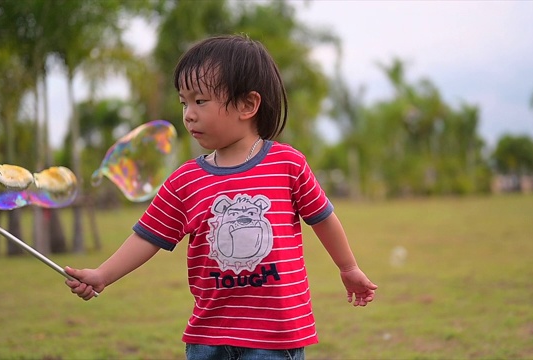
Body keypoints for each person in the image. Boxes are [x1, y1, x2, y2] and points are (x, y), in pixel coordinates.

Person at [65, 34, 377, 360]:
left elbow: (323, 218)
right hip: (208, 336)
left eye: (200, 101)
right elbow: (148, 237)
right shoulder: (186, 180)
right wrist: (102, 275)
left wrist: (348, 267)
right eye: (184, 102)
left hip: (274, 336)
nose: (188, 114)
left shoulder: (287, 164)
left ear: (247, 105)